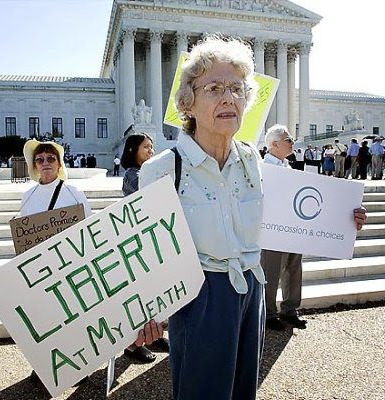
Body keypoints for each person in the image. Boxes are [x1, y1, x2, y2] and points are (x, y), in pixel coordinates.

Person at [140, 35, 264, 400]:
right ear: (187, 103)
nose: (229, 97)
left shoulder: (252, 159)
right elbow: (148, 248)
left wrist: (340, 221)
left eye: (236, 88)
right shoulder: (163, 168)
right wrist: (146, 311)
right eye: (213, 88)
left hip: (252, 289)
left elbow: (280, 217)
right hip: (200, 297)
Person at [21, 139, 163, 382]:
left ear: (59, 163)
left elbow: (87, 229)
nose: (46, 163)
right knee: (50, 318)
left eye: (51, 158)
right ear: (34, 164)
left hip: (70, 267)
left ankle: (79, 364)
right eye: (40, 159)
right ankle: (47, 365)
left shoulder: (72, 192)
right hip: (43, 270)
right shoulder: (28, 196)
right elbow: (25, 236)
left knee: (75, 318)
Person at [261, 125, 367, 333]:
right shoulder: (263, 168)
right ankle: (269, 313)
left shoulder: (288, 166)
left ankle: (290, 310)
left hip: (294, 229)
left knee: (294, 269)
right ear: (274, 144)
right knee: (271, 272)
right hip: (273, 232)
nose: (292, 141)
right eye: (287, 139)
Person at [120, 132, 170, 362]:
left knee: (155, 291)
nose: (151, 151)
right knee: (141, 292)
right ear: (132, 151)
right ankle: (131, 345)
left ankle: (153, 334)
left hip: (153, 238)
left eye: (152, 147)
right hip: (140, 240)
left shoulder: (147, 172)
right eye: (146, 147)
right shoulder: (133, 175)